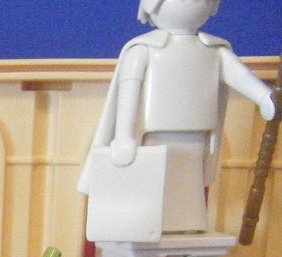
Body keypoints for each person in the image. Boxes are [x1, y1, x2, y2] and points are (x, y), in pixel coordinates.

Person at [78, 0, 275, 240]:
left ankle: (186, 224)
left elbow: (240, 77)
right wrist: (123, 135)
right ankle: (146, 223)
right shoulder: (143, 50)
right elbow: (128, 90)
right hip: (151, 140)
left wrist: (265, 98)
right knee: (151, 193)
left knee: (188, 192)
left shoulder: (215, 52)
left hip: (197, 140)